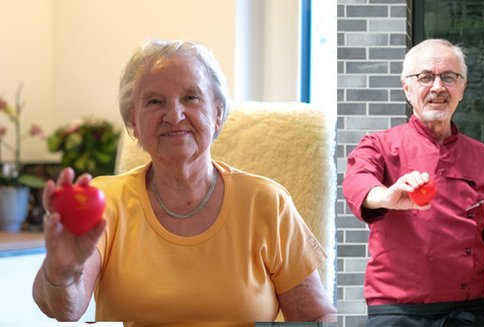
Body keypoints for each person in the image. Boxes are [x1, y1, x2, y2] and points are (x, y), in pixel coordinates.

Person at [31, 40, 335, 323]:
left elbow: (314, 318)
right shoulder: (105, 200)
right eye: (154, 102)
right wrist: (62, 271)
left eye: (191, 97)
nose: (174, 116)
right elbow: (64, 310)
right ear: (134, 123)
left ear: (217, 113)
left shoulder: (267, 203)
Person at [342, 39, 484, 326]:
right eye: (426, 77)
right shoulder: (380, 145)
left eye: (449, 78)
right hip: (397, 316)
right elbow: (357, 180)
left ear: (462, 89)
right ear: (407, 88)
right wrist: (387, 196)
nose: (438, 87)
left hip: (467, 316)